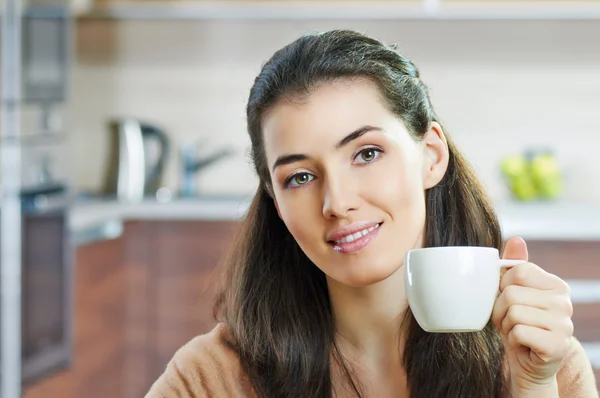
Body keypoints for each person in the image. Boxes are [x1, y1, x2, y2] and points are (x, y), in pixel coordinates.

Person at [145, 29, 598, 398]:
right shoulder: (208, 379)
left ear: (432, 155)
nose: (337, 202)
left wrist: (534, 387)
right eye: (300, 177)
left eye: (366, 154)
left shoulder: (541, 361)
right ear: (276, 202)